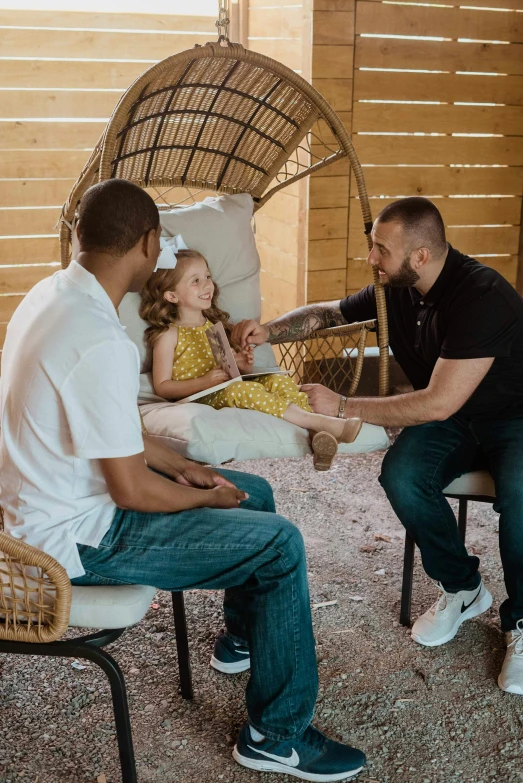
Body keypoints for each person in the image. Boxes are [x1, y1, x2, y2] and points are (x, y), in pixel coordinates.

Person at [0, 178, 366, 781]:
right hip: (75, 537)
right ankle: (277, 738)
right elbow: (132, 493)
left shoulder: (50, 296)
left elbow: (112, 432)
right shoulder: (98, 339)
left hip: (58, 499)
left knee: (260, 493)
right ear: (147, 246)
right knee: (279, 543)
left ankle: (249, 641)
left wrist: (190, 468)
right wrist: (213, 497)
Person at [233, 196, 523, 696]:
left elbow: (435, 404)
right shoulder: (398, 288)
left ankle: (521, 624)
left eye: (380, 250)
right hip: (457, 421)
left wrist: (342, 406)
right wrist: (268, 333)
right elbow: (327, 313)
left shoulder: (482, 296)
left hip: (513, 417)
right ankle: (463, 587)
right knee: (401, 475)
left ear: (421, 257)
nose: (371, 259)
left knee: (521, 495)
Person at [139, 248, 362, 471]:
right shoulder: (168, 335)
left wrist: (242, 366)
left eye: (208, 276)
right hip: (199, 396)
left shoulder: (213, 328)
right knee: (242, 392)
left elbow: (227, 371)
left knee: (278, 381)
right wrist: (204, 382)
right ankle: (324, 424)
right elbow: (162, 386)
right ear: (171, 296)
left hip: (223, 387)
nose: (207, 285)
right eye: (195, 281)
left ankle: (317, 434)